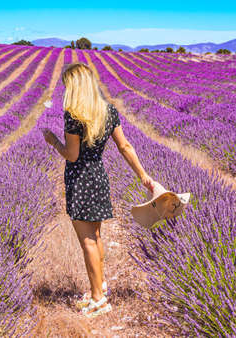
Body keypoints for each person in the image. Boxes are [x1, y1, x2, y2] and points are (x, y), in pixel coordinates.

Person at [41, 62, 155, 318]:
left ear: (74, 87)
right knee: (97, 237)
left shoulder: (74, 115)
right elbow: (125, 147)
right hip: (99, 178)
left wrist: (53, 142)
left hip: (80, 180)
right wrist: (143, 175)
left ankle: (98, 299)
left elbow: (72, 155)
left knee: (88, 242)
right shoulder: (109, 111)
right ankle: (100, 285)